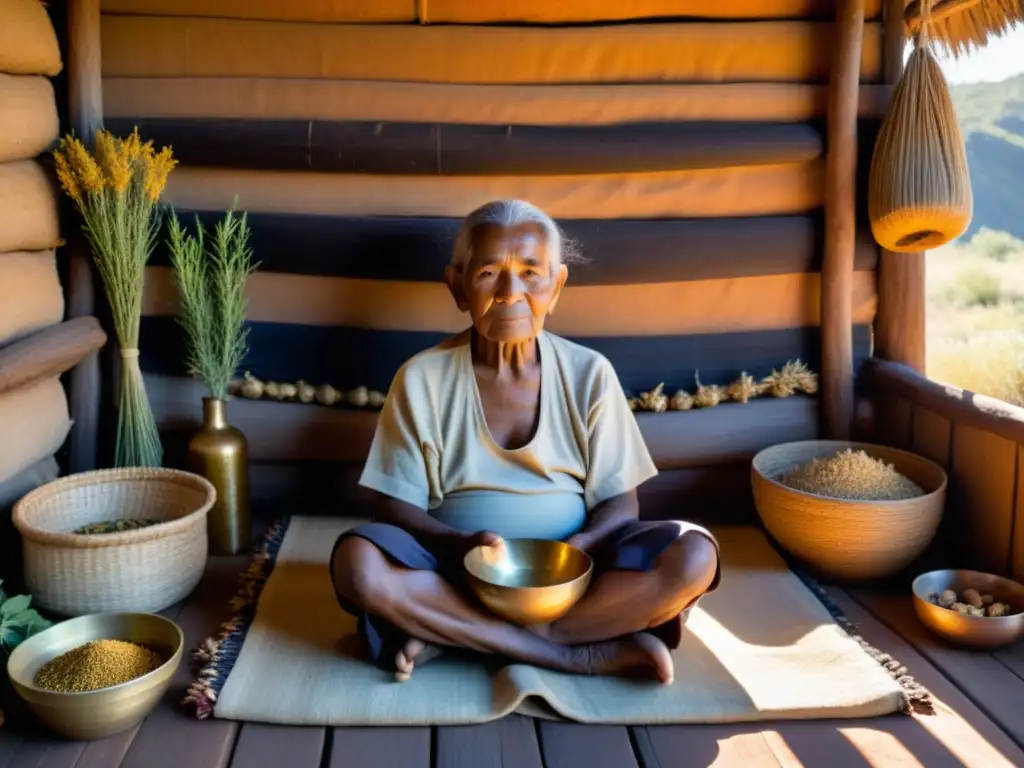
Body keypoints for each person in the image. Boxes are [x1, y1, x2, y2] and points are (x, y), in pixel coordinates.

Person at [330, 199, 721, 685]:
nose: (511, 293)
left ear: (555, 287)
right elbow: (393, 506)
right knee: (359, 566)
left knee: (696, 556)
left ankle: (462, 636)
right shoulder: (421, 378)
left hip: (580, 577)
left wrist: (584, 544)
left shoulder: (589, 374)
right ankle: (573, 653)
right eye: (490, 272)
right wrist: (457, 545)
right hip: (454, 573)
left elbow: (622, 504)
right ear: (457, 286)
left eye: (530, 273)